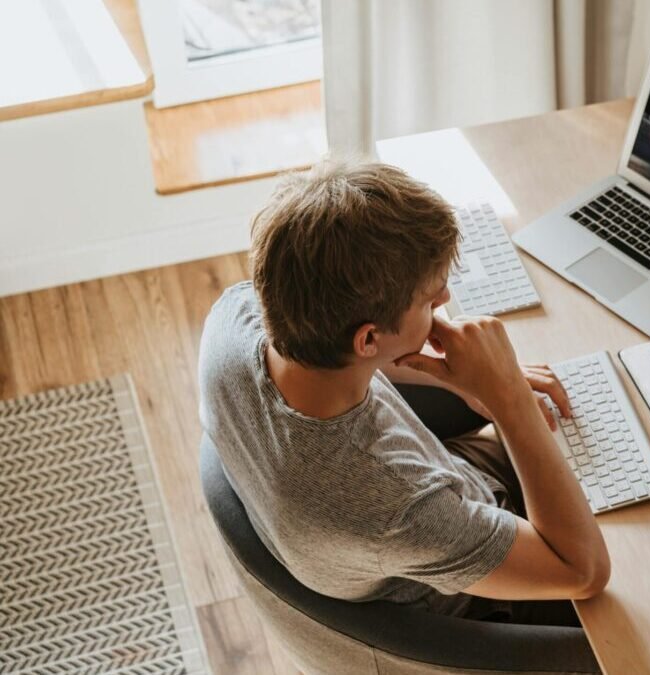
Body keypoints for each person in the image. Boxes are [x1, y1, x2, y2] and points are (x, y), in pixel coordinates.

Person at [197, 158, 610, 628]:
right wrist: (509, 400)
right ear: (369, 339)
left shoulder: (235, 317)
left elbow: (346, 347)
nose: (445, 301)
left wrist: (473, 378)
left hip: (434, 493)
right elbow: (583, 571)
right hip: (488, 593)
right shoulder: (396, 506)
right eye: (430, 299)